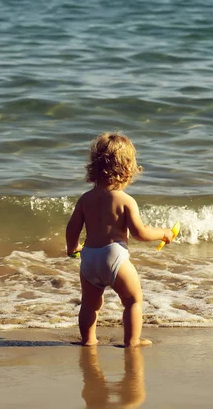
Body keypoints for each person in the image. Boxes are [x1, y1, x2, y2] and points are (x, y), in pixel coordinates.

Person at [66, 132, 174, 347]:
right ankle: (132, 341)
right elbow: (139, 233)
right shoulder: (125, 200)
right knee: (133, 300)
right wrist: (163, 233)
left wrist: (72, 248)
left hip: (88, 258)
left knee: (90, 303)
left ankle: (88, 340)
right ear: (128, 169)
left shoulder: (85, 199)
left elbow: (72, 227)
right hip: (113, 256)